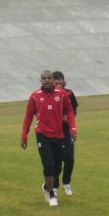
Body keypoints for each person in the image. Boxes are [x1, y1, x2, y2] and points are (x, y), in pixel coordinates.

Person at [20, 70, 77, 207]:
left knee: (57, 167)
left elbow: (70, 110)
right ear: (40, 80)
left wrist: (72, 128)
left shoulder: (62, 94)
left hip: (58, 135)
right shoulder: (35, 96)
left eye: (49, 78)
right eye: (43, 78)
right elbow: (28, 116)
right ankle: (51, 195)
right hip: (42, 134)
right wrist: (24, 135)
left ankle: (47, 186)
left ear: (53, 80)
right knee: (49, 165)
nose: (46, 80)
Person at [52, 71, 79, 196]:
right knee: (55, 161)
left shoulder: (69, 93)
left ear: (64, 82)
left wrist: (69, 117)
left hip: (67, 131)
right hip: (52, 132)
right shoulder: (48, 95)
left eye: (60, 83)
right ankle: (55, 186)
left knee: (69, 158)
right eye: (56, 83)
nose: (58, 86)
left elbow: (74, 109)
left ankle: (66, 183)